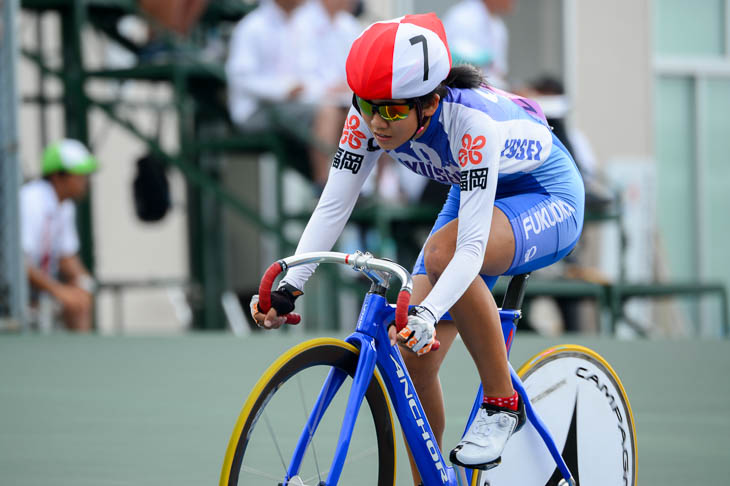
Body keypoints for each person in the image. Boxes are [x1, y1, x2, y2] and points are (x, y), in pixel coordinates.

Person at [251, 13, 584, 481]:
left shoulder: (471, 123)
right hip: (471, 194)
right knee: (412, 361)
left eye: (389, 111)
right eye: (365, 105)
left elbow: (467, 248)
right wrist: (291, 285)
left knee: (444, 256)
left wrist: (428, 314)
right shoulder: (370, 118)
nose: (374, 121)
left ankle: (502, 403)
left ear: (429, 103)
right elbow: (332, 207)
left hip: (546, 196)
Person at [225, 0, 357, 188]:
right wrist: (283, 89)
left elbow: (308, 75)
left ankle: (358, 183)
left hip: (295, 103)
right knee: (326, 111)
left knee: (355, 112)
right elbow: (241, 78)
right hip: (255, 111)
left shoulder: (301, 25)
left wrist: (325, 88)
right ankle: (324, 183)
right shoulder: (252, 26)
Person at [20, 139, 99, 332]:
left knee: (79, 300)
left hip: (37, 289)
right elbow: (20, 264)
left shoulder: (65, 205)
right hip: (15, 292)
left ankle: (82, 357)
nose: (85, 182)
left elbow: (66, 257)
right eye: (79, 175)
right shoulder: (30, 201)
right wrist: (61, 292)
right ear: (57, 176)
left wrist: (84, 285)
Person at [443, 0, 515, 88]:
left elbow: (499, 73)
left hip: (489, 91)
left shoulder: (498, 26)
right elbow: (454, 67)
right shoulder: (461, 17)